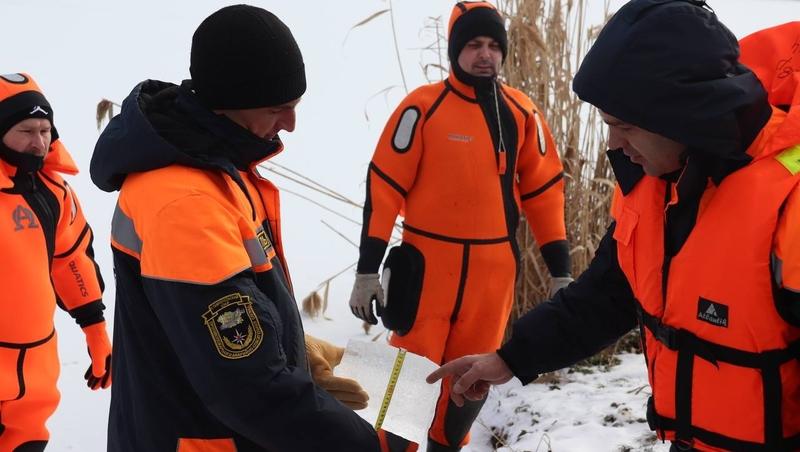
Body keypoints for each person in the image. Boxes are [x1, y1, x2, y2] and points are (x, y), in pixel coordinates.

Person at [427, 2, 800, 451]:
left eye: (623, 126)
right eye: (606, 125)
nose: (613, 145)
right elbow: (607, 294)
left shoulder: (788, 205)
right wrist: (509, 358)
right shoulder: (655, 184)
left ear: (685, 117)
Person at [89, 5, 381, 452]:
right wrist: (369, 445)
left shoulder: (216, 167)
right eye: (277, 108)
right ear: (228, 102)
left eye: (296, 105)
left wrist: (293, 345)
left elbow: (221, 315)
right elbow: (247, 387)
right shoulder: (185, 202)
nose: (291, 124)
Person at [348, 2, 572, 450]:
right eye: (473, 44)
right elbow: (384, 188)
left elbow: (545, 193)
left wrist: (560, 271)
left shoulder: (522, 114)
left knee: (471, 384)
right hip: (424, 271)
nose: (485, 54)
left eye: (493, 45)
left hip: (492, 278)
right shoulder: (422, 108)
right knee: (404, 382)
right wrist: (367, 271)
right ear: (456, 50)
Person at [0, 73, 112, 452]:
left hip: (33, 384)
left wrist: (96, 334)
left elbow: (72, 261)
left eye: (45, 129)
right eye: (26, 130)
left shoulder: (54, 191)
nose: (39, 142)